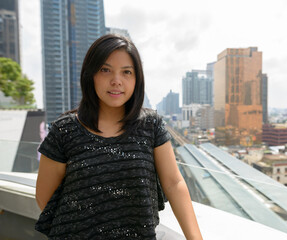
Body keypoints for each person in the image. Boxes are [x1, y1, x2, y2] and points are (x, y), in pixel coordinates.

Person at [35, 34, 203, 239]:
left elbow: (174, 183)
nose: (116, 81)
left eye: (127, 72)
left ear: (136, 79)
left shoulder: (151, 125)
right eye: (105, 70)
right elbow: (45, 197)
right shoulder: (65, 130)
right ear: (91, 75)